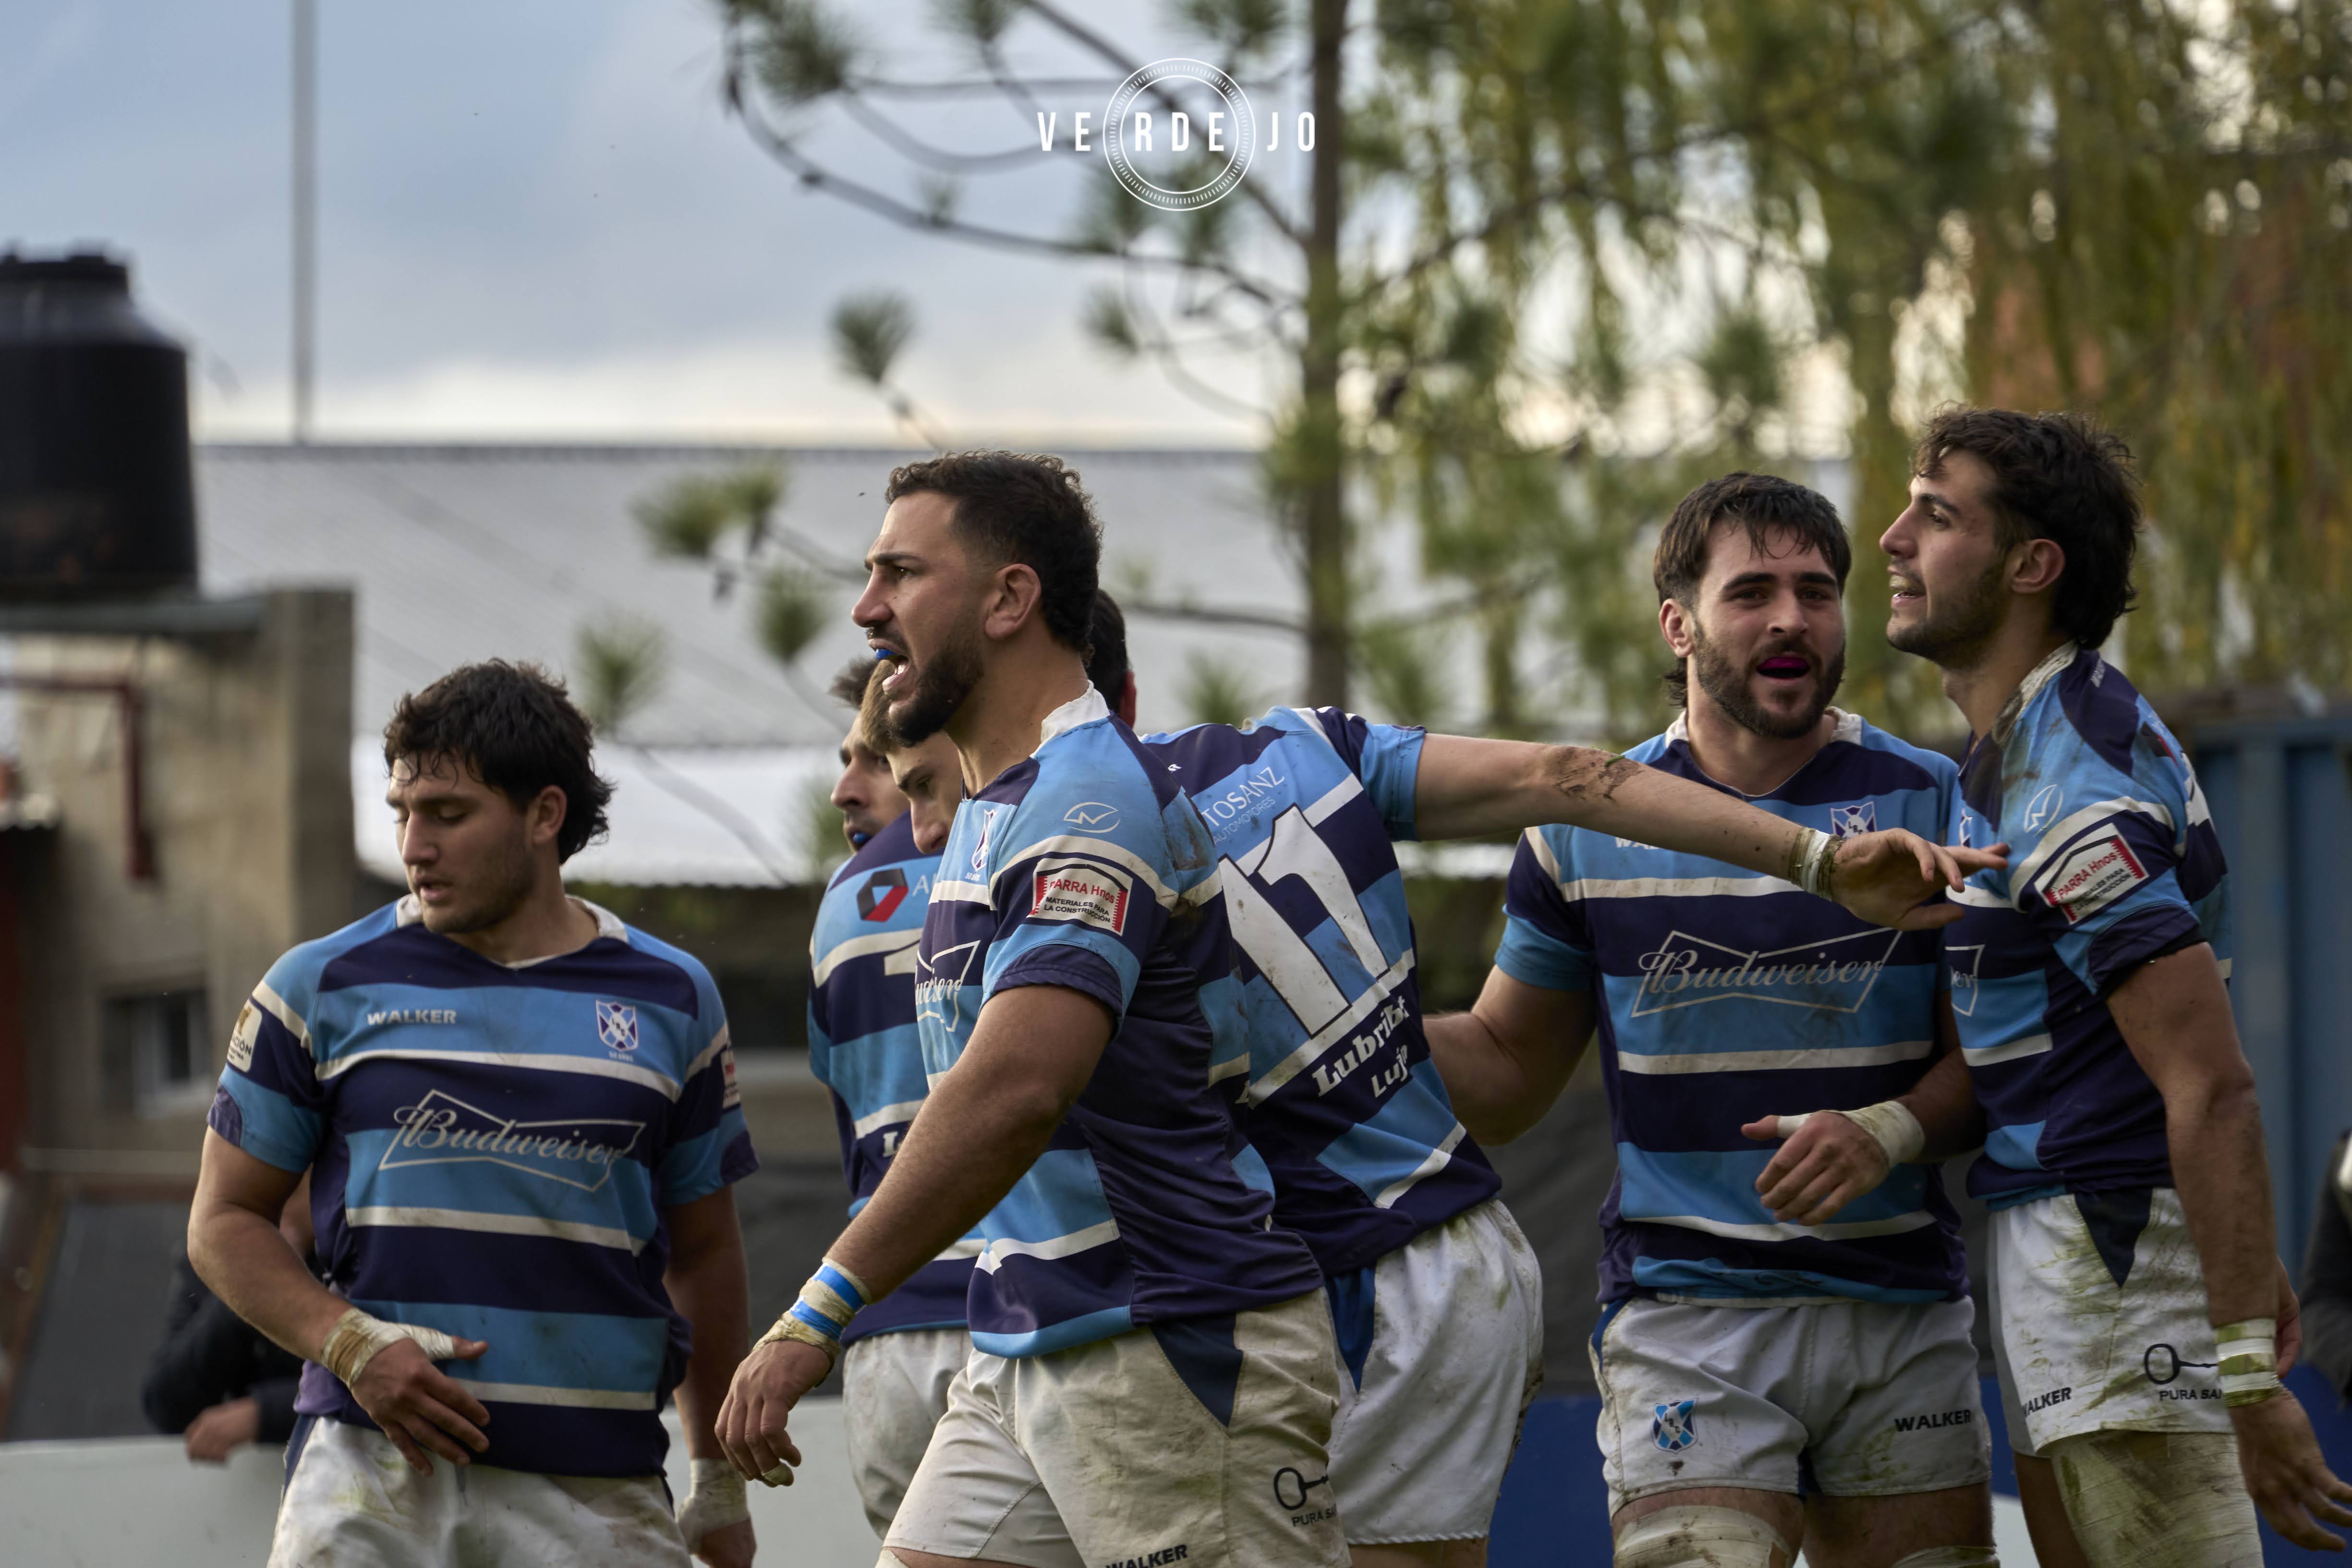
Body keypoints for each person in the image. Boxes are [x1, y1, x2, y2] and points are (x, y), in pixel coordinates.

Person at [723, 450, 1356, 1568]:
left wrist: (811, 1314)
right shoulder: (986, 806)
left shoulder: (1082, 798)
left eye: (901, 575)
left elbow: (1016, 1090)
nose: (867, 610)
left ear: (1012, 598)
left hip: (1165, 1338)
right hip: (1029, 1340)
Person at [1763, 407, 2352, 1565]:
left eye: (1934, 515)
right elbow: (2099, 1051)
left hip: (2113, 1266)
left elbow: (2210, 1084)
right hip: (2081, 1263)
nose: (1886, 538)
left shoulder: (2066, 789)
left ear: (2031, 565)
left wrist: (2241, 1370)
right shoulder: (2023, 747)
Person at [1420, 473, 1997, 1568]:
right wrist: (1350, 1029)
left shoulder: (1935, 800)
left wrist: (1893, 1127)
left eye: (1815, 589)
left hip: (1899, 1311)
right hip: (1686, 1321)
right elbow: (1504, 1070)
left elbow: (1993, 1061)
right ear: (1675, 621)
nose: (1789, 617)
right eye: (1751, 592)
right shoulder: (1580, 830)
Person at [188, 660, 760, 1568]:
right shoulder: (320, 985)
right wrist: (350, 1345)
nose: (414, 846)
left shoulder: (672, 999)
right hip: (370, 1476)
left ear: (544, 815)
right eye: (403, 814)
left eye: (448, 815)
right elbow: (222, 1224)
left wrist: (719, 1482)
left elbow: (705, 1254)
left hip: (597, 1488)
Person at [809, 656, 977, 1540]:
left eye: (878, 761)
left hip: (887, 1323)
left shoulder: (841, 905)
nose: (846, 789)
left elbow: (839, 1085)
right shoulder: (1071, 848)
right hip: (1053, 1302)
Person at [144, 1173, 315, 1462]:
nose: (266, 1205)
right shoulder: (209, 1259)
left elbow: (381, 1382)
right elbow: (166, 1405)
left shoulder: (365, 1262)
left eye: (289, 1188)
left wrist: (263, 1413)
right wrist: (243, 1290)